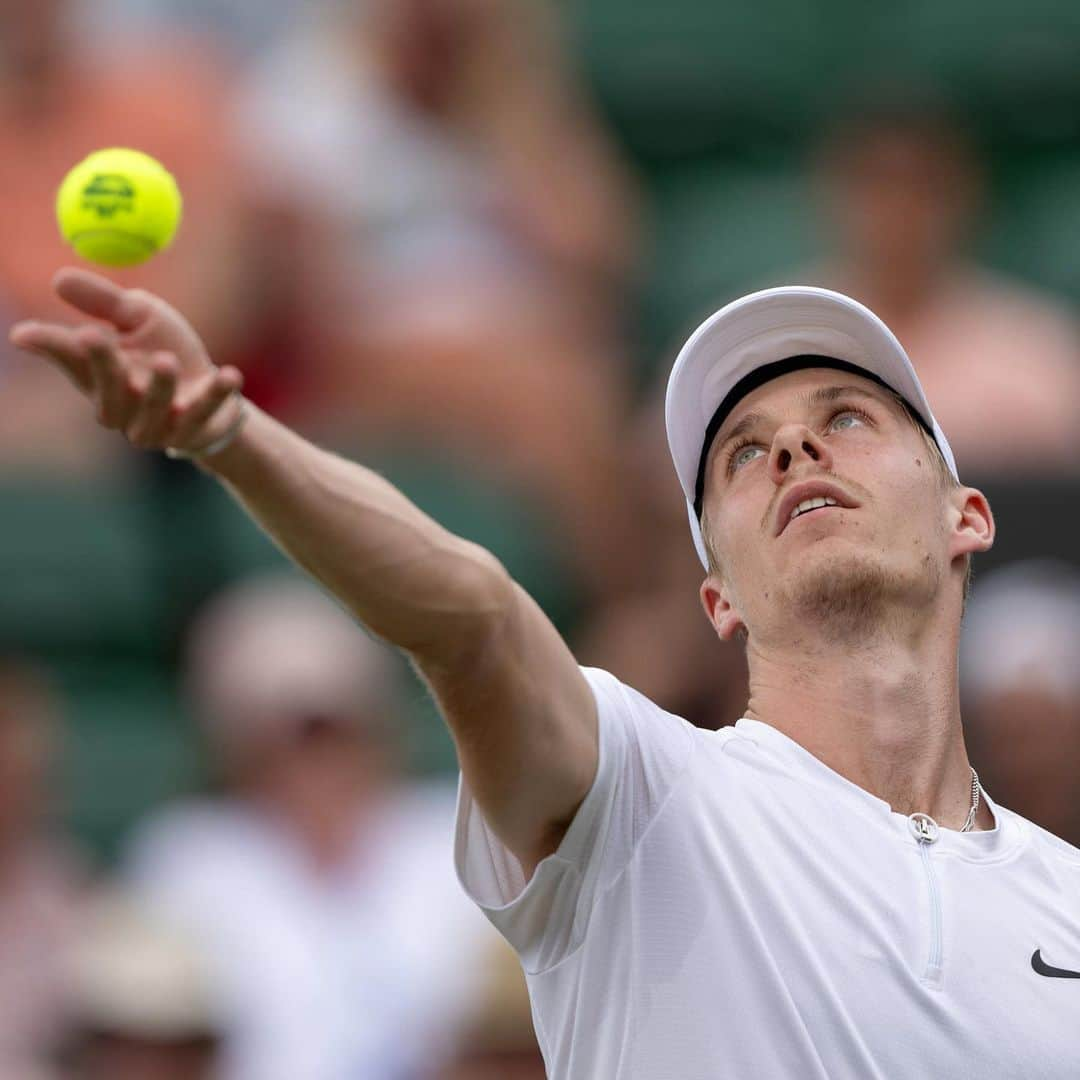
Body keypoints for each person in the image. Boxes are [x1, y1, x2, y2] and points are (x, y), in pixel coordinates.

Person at [10, 268, 1080, 1078]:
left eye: (846, 418)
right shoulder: (646, 794)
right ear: (718, 600)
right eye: (743, 454)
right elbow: (470, 618)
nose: (795, 450)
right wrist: (235, 434)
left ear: (965, 518)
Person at [122, 572, 490, 1080]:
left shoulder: (451, 830)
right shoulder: (188, 853)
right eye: (290, 732)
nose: (316, 758)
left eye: (334, 726)